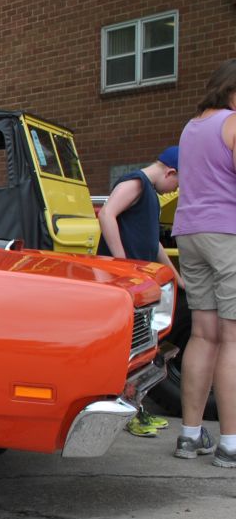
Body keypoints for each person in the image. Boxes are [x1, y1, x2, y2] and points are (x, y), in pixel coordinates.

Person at [171, 58, 236, 468]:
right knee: (233, 339)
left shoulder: (191, 126)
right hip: (226, 233)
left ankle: (190, 435)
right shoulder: (233, 123)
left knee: (203, 334)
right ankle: (231, 443)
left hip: (189, 233)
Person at [97, 146, 182, 436]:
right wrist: (122, 264)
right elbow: (107, 214)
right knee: (125, 351)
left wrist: (176, 277)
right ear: (170, 172)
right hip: (124, 285)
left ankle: (135, 409)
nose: (175, 190)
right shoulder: (136, 183)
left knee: (139, 350)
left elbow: (153, 242)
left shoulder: (151, 195)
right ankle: (124, 412)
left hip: (138, 286)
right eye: (177, 184)